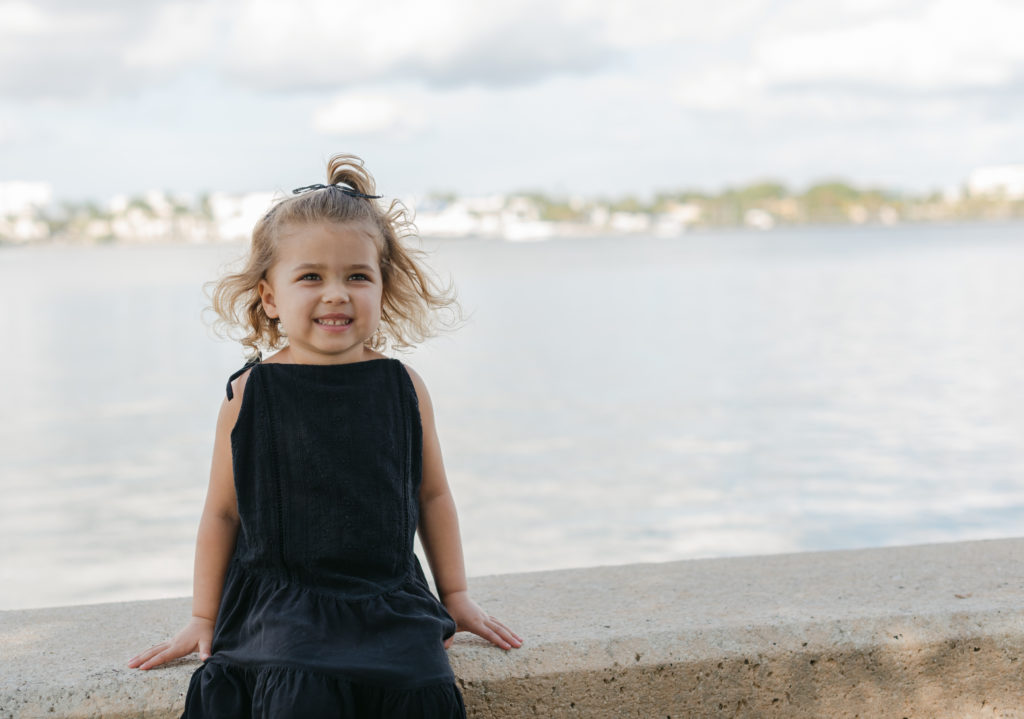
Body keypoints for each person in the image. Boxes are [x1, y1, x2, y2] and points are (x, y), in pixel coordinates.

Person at [128, 153, 521, 718]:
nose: (336, 293)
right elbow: (221, 514)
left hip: (389, 600)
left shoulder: (402, 386)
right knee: (299, 691)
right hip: (283, 605)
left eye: (357, 276)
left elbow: (431, 495)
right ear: (269, 297)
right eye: (310, 276)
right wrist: (202, 618)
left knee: (425, 687)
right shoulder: (251, 394)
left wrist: (454, 596)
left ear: (381, 290)